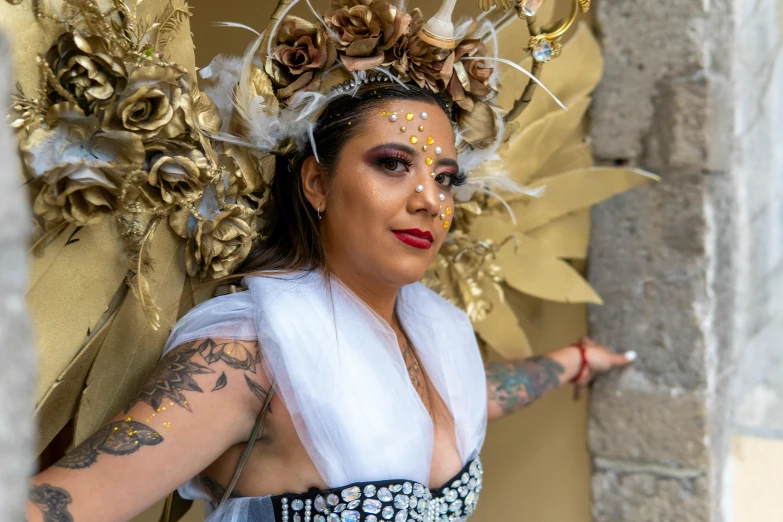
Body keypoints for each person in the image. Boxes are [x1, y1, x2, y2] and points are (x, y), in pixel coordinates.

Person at [25, 82, 633, 522]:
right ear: (317, 182)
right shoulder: (247, 357)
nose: (429, 199)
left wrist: (573, 361)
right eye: (394, 164)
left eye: (445, 177)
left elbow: (467, 399)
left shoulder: (432, 333)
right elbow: (63, 505)